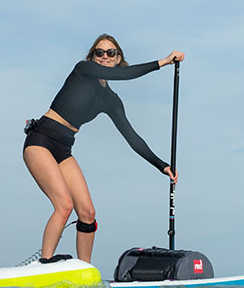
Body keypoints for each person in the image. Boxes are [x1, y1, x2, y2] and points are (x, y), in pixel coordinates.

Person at [23, 34, 184, 264]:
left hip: (63, 149)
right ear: (92, 57)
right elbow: (125, 75)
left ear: (118, 58)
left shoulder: (111, 101)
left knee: (88, 213)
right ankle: (45, 264)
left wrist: (163, 165)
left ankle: (84, 270)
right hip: (41, 140)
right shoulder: (83, 69)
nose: (105, 57)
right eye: (99, 52)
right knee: (64, 205)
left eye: (111, 53)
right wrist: (164, 62)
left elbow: (132, 137)